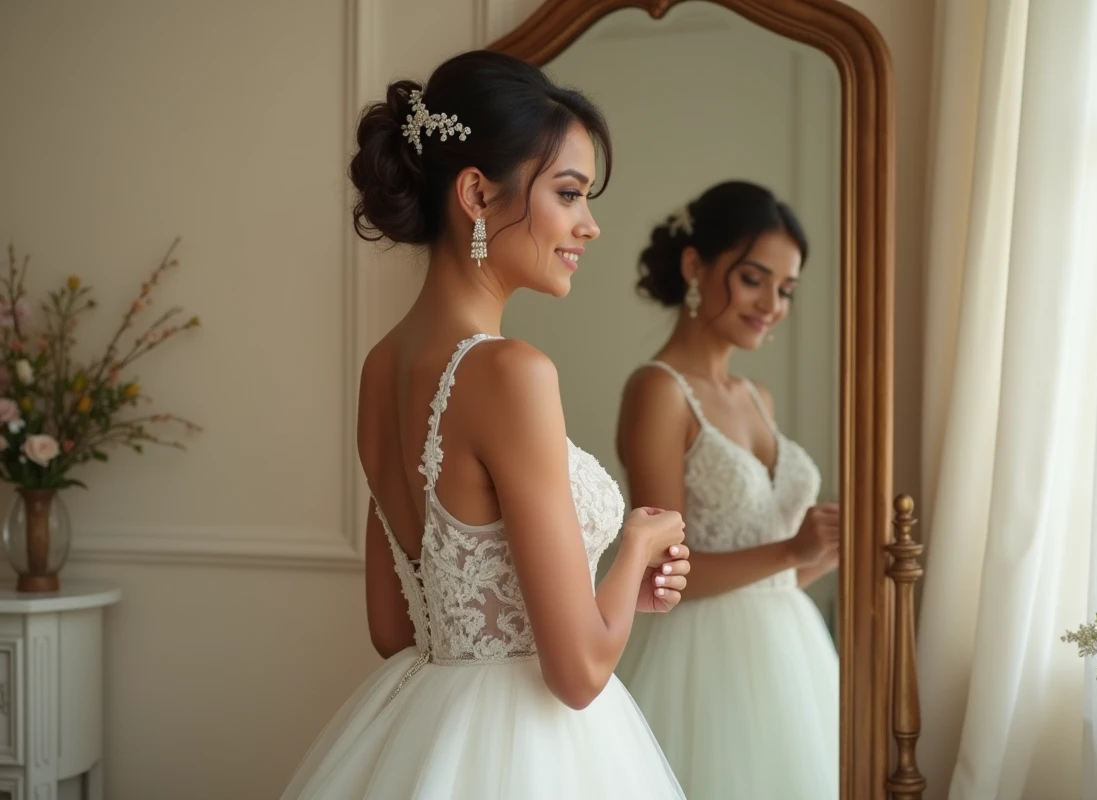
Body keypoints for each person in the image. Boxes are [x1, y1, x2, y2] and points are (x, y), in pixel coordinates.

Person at [281, 50, 689, 799]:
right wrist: (635, 544)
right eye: (569, 193)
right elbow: (579, 674)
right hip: (533, 749)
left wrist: (605, 596)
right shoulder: (510, 373)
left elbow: (394, 631)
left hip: (427, 730)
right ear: (475, 192)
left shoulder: (381, 366)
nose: (590, 226)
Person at [613, 180, 840, 799]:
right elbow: (662, 574)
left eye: (786, 289)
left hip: (791, 659)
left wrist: (821, 555)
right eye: (753, 279)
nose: (772, 304)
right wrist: (792, 550)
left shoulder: (757, 397)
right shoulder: (659, 391)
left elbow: (764, 580)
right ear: (695, 266)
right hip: (699, 669)